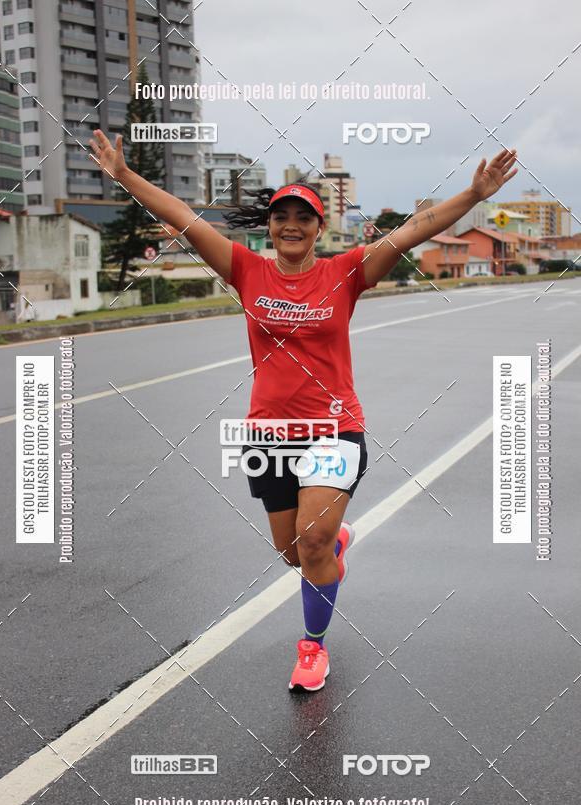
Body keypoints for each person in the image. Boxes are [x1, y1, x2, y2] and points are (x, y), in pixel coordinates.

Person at [88, 129, 518, 692]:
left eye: (304, 217)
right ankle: (334, 544)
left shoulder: (345, 274)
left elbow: (417, 229)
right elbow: (183, 215)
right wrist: (123, 176)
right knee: (294, 552)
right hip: (269, 435)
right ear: (270, 226)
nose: (291, 224)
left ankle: (312, 648)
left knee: (311, 542)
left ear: (319, 228)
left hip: (334, 430)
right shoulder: (247, 271)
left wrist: (473, 196)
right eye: (281, 216)